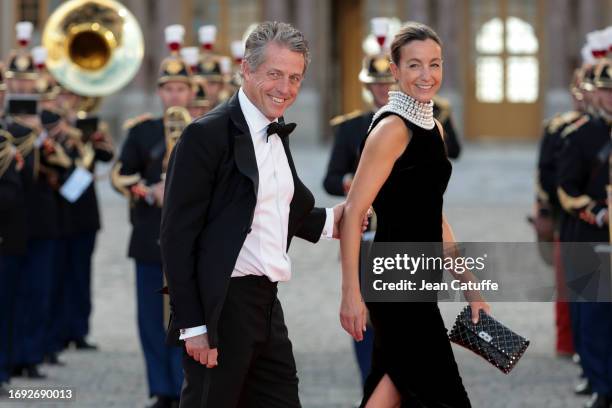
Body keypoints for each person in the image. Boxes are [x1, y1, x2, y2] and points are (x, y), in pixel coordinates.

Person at [160, 21, 364, 407]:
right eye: (274, 74)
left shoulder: (274, 129)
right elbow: (176, 237)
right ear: (247, 70)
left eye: (295, 77)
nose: (284, 88)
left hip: (267, 306)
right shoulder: (204, 135)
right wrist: (194, 326)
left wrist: (336, 219)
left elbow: (281, 205)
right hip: (220, 308)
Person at [338, 22, 490, 408]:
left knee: (394, 385)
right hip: (393, 280)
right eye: (415, 65)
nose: (427, 75)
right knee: (444, 394)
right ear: (394, 70)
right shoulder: (391, 128)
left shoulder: (434, 127)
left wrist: (469, 282)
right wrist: (351, 295)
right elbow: (354, 212)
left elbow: (434, 215)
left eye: (435, 64)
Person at [111, 24, 192, 408]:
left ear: (191, 93)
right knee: (149, 319)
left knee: (185, 316)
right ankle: (160, 389)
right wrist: (148, 190)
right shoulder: (142, 132)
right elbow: (120, 176)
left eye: (181, 88)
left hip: (188, 239)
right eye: (168, 88)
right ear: (160, 92)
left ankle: (182, 386)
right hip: (149, 235)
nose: (174, 94)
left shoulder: (202, 130)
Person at [557, 58, 612, 408]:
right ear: (594, 93)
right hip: (592, 238)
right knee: (592, 319)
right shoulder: (579, 136)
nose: (611, 97)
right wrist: (600, 212)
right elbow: (566, 189)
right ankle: (602, 387)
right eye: (606, 91)